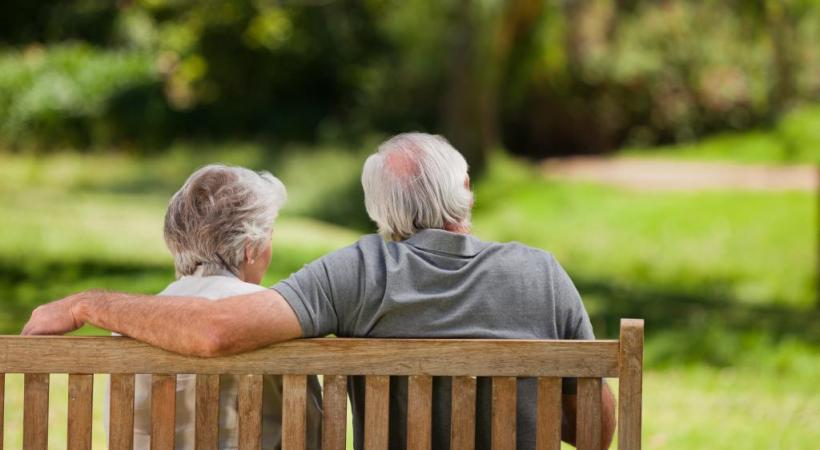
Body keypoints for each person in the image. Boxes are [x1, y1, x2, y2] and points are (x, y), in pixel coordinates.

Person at [24, 133, 616, 450]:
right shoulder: (543, 272)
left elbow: (212, 330)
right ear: (465, 188)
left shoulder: (358, 271)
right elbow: (591, 433)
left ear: (378, 211)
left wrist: (85, 304)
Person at [109, 164, 322, 450]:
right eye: (270, 235)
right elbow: (309, 431)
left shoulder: (132, 322)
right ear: (250, 246)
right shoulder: (271, 317)